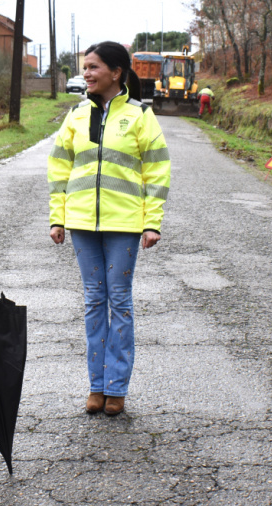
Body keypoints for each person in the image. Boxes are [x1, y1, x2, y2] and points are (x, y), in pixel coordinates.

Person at [48, 41, 171, 417]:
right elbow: (59, 169)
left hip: (125, 225)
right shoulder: (76, 115)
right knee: (92, 302)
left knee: (119, 301)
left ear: (116, 72)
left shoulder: (139, 116)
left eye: (93, 67)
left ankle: (117, 387)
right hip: (83, 223)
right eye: (84, 67)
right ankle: (96, 387)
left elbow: (157, 171)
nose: (86, 73)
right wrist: (58, 216)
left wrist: (152, 222)